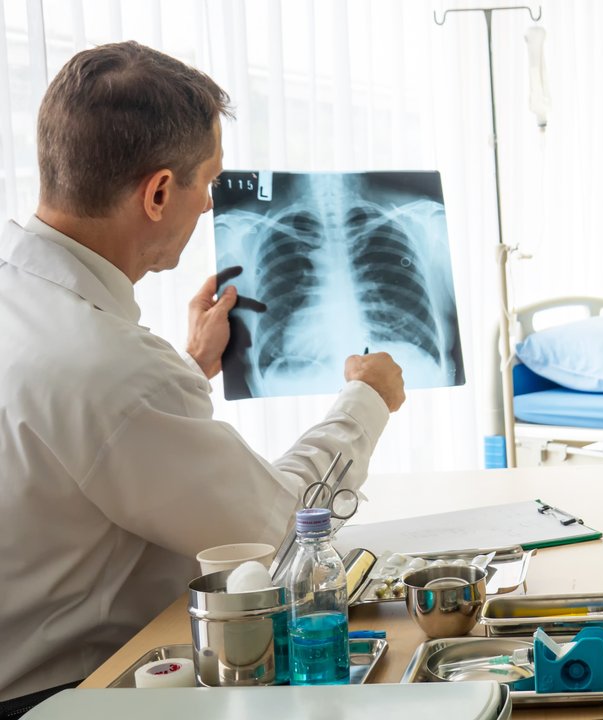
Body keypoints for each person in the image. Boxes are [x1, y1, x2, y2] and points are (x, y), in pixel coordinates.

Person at [0, 42, 406, 708]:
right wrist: (369, 399)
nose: (213, 207)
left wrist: (188, 366)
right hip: (71, 697)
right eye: (211, 183)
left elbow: (92, 443)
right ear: (159, 192)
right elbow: (282, 536)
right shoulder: (114, 370)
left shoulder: (29, 307)